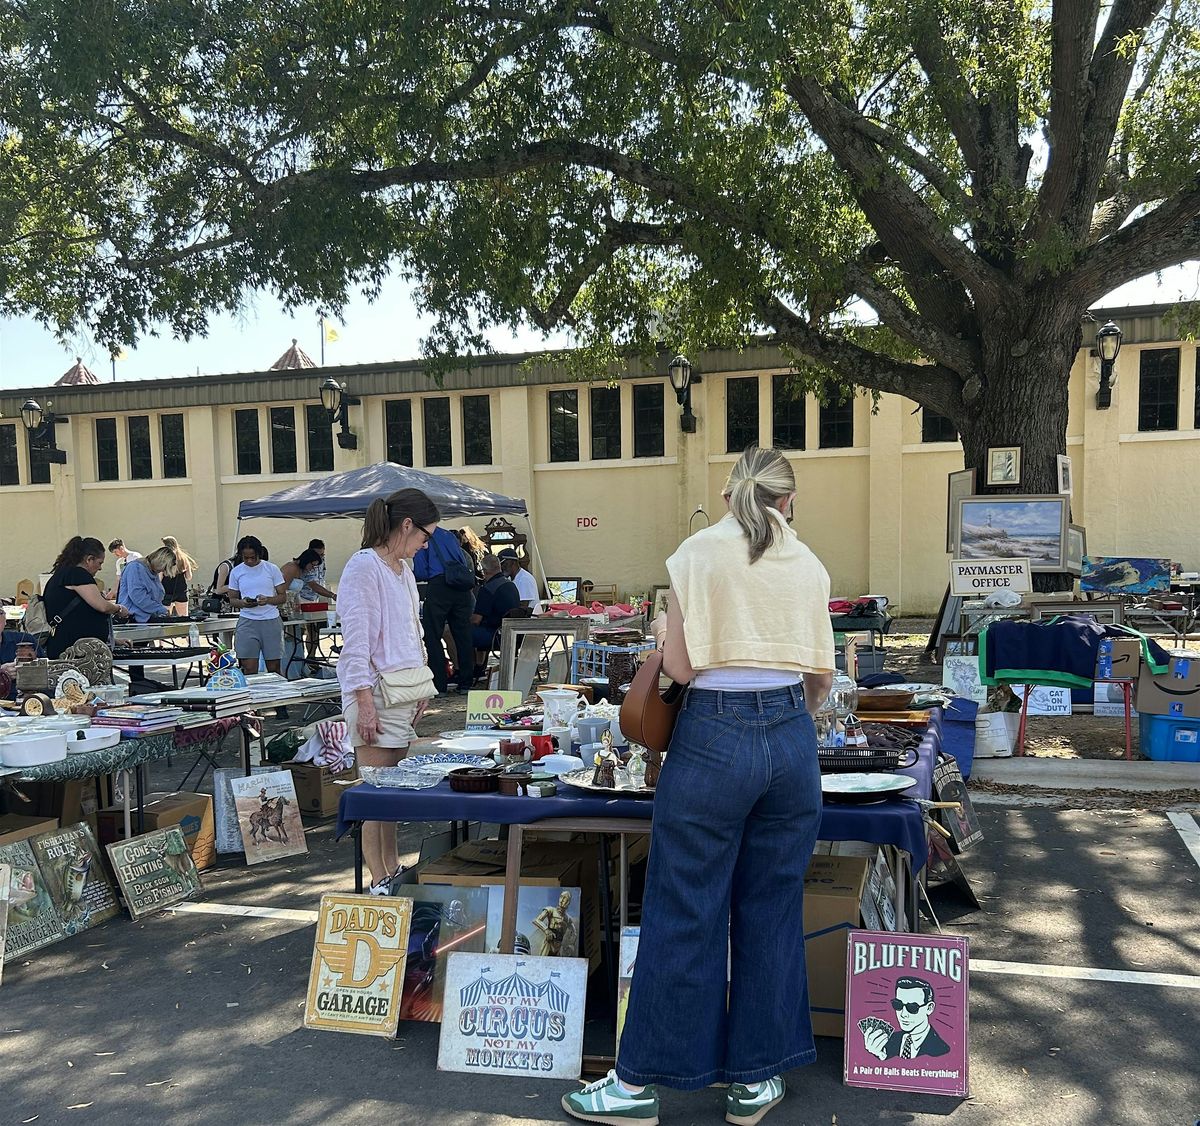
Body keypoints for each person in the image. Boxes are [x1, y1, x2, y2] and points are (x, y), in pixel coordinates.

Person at [562, 446, 835, 1126]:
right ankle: (756, 1079)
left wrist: (667, 636)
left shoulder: (697, 553)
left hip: (713, 735)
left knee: (687, 906)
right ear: (787, 500)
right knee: (771, 910)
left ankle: (637, 1087)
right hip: (790, 736)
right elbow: (821, 681)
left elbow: (679, 666)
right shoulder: (807, 563)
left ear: (727, 494)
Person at [337, 488, 440, 894]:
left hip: (401, 690)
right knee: (376, 795)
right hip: (377, 693)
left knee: (391, 795)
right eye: (425, 536)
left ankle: (391, 873)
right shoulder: (365, 566)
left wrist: (424, 681)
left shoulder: (401, 568)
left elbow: (412, 632)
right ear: (407, 525)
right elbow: (356, 640)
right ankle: (380, 881)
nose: (425, 544)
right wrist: (363, 701)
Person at [41, 536, 130, 658]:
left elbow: (81, 613)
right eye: (99, 563)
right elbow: (102, 606)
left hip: (70, 645)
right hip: (73, 650)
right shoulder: (77, 574)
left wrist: (111, 639)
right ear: (89, 559)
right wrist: (119, 609)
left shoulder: (64, 574)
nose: (100, 568)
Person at [413, 524, 475, 695]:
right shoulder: (448, 535)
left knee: (432, 636)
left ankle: (439, 684)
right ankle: (466, 683)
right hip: (461, 587)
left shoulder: (423, 536)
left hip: (440, 586)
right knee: (463, 635)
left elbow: (421, 571)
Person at [223, 535, 286, 675]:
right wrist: (243, 603)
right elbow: (232, 599)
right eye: (246, 558)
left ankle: (275, 693)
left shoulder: (271, 569)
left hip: (270, 620)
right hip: (247, 621)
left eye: (253, 557)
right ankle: (251, 694)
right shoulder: (237, 571)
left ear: (259, 554)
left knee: (274, 667)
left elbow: (283, 597)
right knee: (249, 667)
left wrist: (268, 600)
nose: (250, 561)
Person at [862, 978, 951, 1060]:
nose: (903, 1014)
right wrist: (878, 1056)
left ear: (929, 1008)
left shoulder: (941, 1050)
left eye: (912, 1007)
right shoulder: (888, 1041)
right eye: (898, 1005)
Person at [471, 554, 520, 665]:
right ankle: (479, 667)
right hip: (512, 633)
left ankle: (468, 670)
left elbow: (476, 620)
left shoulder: (488, 589)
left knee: (460, 632)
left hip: (495, 636)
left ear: (484, 571)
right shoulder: (511, 585)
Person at [117, 546, 181, 623]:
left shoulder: (152, 571)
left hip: (147, 620)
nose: (163, 571)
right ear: (160, 562)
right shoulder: (135, 568)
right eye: (164, 568)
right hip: (133, 620)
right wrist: (160, 609)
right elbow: (138, 596)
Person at [160, 536, 196, 615]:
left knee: (165, 618)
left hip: (167, 591)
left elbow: (160, 578)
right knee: (184, 617)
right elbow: (189, 577)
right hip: (181, 590)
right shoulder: (183, 558)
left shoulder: (163, 559)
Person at [498, 548, 542, 613]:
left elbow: (523, 607)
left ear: (513, 563)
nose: (502, 567)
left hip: (527, 620)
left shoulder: (524, 579)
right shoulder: (511, 579)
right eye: (501, 565)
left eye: (505, 564)